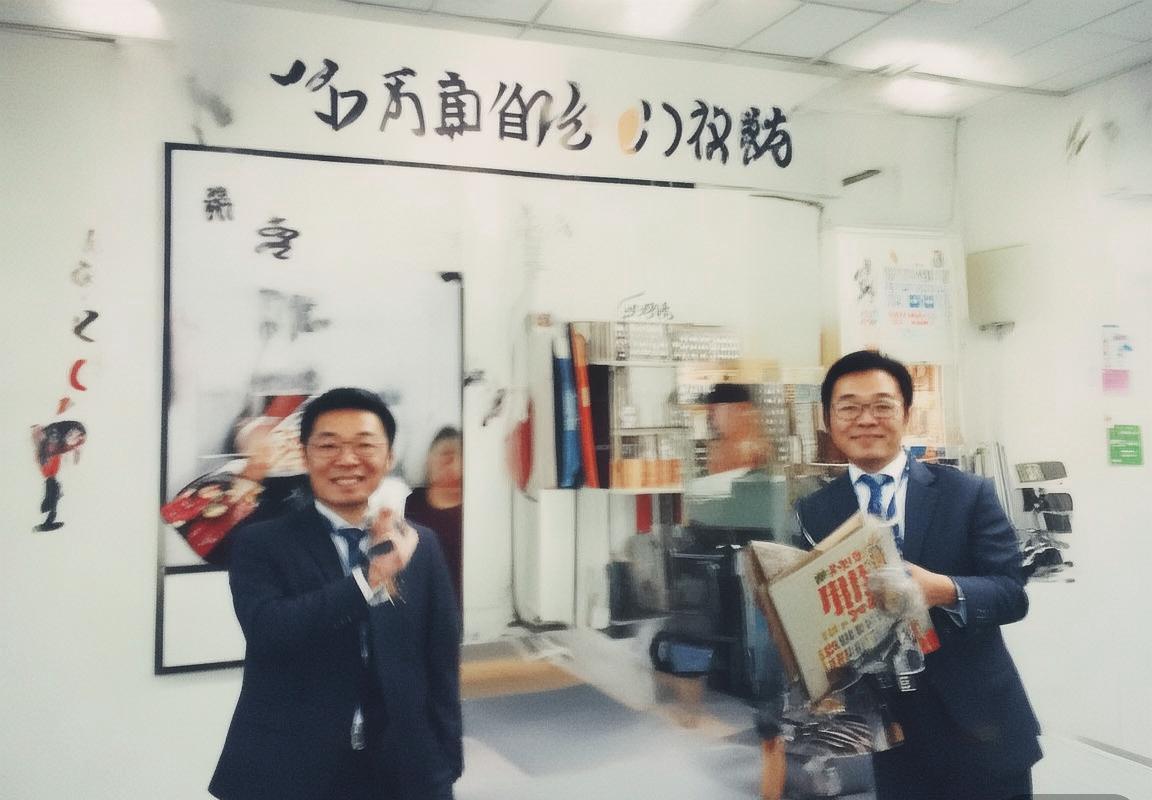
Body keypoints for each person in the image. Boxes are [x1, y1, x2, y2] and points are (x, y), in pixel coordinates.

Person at [794, 350, 1040, 800]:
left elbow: (1011, 594)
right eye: (849, 407)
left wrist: (940, 590)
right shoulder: (816, 510)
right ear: (828, 419)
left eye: (881, 405)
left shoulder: (965, 493)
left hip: (979, 721)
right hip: (890, 733)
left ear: (906, 413)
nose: (866, 419)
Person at [209, 388, 462, 800]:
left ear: (388, 458)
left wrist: (446, 758)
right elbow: (270, 632)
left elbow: (441, 659)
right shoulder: (261, 542)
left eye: (365, 445)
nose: (347, 459)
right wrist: (369, 579)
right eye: (328, 446)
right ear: (305, 455)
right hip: (289, 768)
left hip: (402, 767)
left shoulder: (421, 544)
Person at [405, 426, 463, 611]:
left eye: (459, 457)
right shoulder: (410, 504)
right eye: (445, 455)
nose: (452, 464)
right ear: (428, 461)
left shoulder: (475, 512)